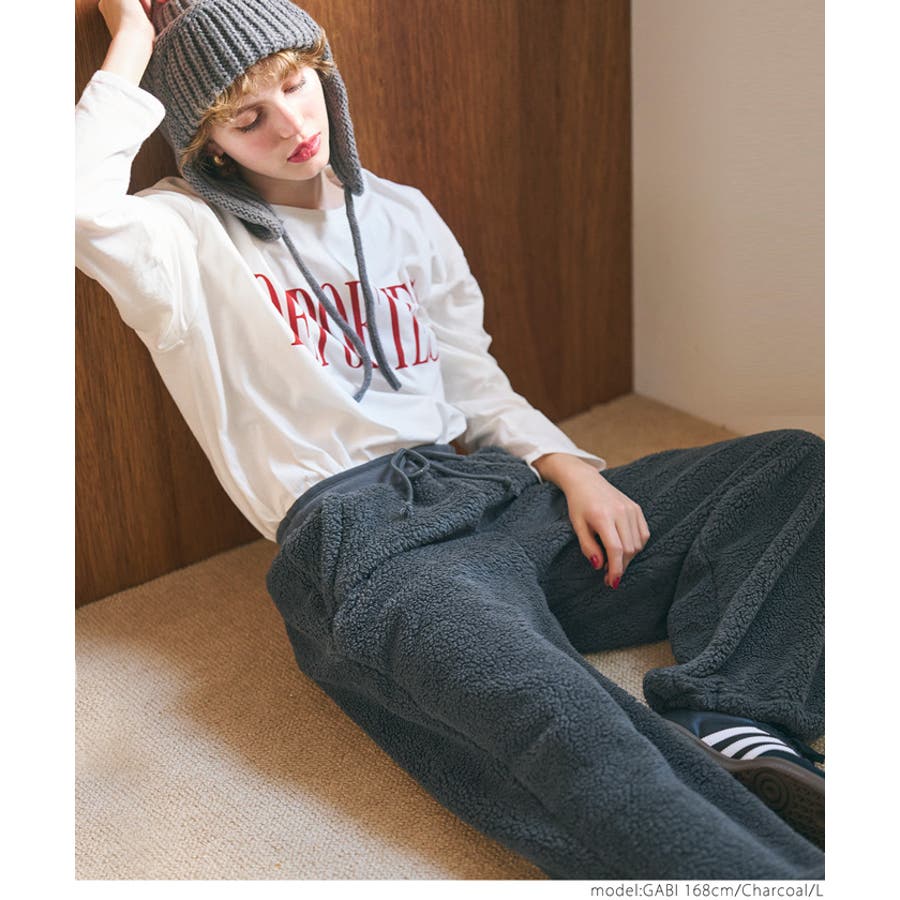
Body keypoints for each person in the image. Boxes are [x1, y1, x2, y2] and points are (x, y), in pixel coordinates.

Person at [75, 0, 825, 880]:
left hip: (491, 497)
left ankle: (732, 711)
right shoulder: (179, 239)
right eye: (249, 118)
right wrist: (132, 39)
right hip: (368, 546)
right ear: (208, 144)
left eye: (297, 83)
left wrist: (572, 470)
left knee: (795, 467)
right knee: (569, 730)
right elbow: (67, 206)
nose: (292, 124)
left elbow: (471, 379)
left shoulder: (400, 213)